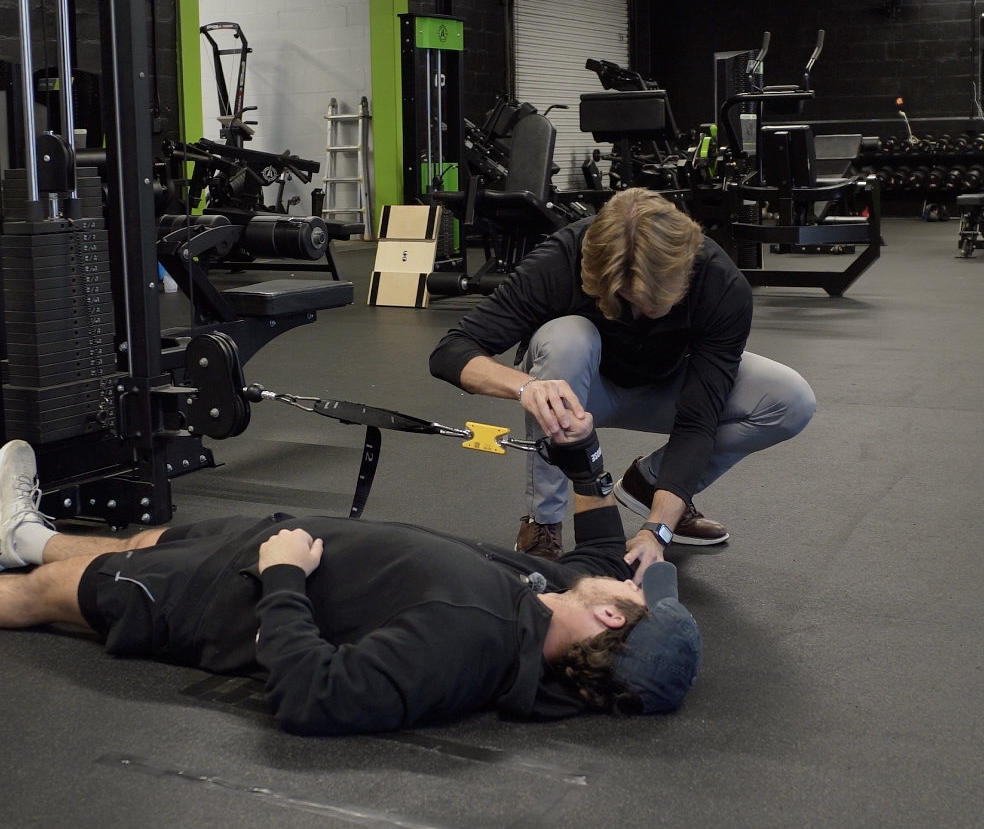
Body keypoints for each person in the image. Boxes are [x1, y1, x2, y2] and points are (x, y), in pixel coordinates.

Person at [0, 431, 701, 735]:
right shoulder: (549, 608)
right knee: (133, 541)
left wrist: (281, 577)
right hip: (271, 541)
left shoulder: (467, 643)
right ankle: (23, 535)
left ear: (613, 622)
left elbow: (314, 695)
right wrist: (584, 456)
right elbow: (605, 552)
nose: (639, 583)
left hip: (216, 593)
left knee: (45, 594)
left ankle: (28, 559)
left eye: (644, 598)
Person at [430, 188, 816, 568]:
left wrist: (657, 531)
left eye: (656, 301)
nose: (644, 310)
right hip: (579, 390)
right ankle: (543, 522)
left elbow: (698, 420)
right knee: (567, 339)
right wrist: (525, 387)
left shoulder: (720, 283)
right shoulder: (563, 258)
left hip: (670, 384)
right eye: (630, 297)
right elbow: (452, 351)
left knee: (789, 399)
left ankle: (650, 484)